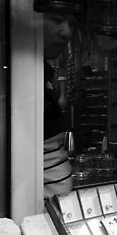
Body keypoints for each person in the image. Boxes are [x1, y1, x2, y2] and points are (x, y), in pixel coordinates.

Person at [43, 12, 74, 198]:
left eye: (72, 23)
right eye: (56, 18)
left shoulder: (43, 75)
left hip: (51, 212)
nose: (67, 32)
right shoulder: (18, 81)